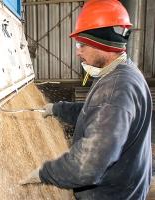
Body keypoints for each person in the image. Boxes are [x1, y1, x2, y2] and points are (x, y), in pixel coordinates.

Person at [19, 0, 152, 199]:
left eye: (83, 44)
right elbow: (95, 113)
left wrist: (45, 173)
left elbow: (87, 165)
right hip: (127, 184)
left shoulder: (115, 90)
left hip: (112, 194)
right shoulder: (122, 72)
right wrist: (57, 109)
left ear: (102, 43)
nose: (78, 51)